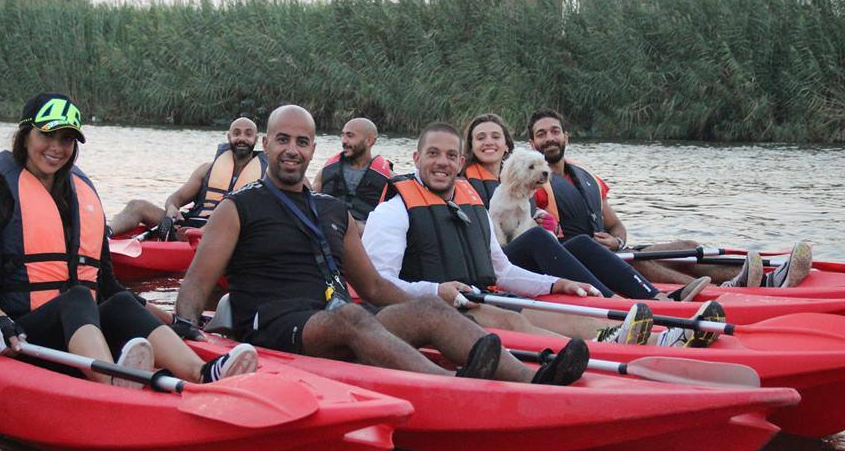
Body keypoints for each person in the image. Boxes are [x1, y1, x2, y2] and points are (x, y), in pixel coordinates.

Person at [174, 104, 591, 386]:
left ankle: (534, 380)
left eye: (302, 142)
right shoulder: (237, 208)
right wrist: (187, 331)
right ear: (266, 144)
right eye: (282, 140)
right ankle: (452, 386)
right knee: (351, 317)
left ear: (314, 149)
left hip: (335, 319)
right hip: (276, 326)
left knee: (427, 309)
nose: (292, 150)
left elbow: (373, 286)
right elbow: (197, 283)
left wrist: (435, 308)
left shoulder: (332, 210)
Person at [0, 93, 257, 387]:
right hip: (20, 335)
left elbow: (108, 286)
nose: (57, 148)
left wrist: (173, 322)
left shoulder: (79, 197)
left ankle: (202, 372)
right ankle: (111, 380)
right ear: (25, 135)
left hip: (75, 333)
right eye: (47, 135)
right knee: (78, 297)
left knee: (120, 302)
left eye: (66, 139)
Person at [362, 121, 710, 347]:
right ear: (416, 157)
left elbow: (502, 270)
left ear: (459, 161)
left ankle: (658, 338)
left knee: (554, 311)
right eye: (433, 154)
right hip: (427, 311)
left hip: (479, 297)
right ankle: (604, 344)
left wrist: (555, 283)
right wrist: (435, 290)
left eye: (451, 155)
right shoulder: (392, 212)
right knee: (507, 317)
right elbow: (377, 285)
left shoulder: (472, 205)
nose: (442, 162)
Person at [526, 108, 813, 289]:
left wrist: (617, 242)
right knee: (638, 263)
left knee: (686, 248)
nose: (549, 138)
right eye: (541, 134)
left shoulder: (585, 176)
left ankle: (764, 278)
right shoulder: (531, 185)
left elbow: (616, 226)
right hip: (580, 263)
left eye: (555, 131)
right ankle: (719, 293)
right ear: (532, 144)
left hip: (613, 252)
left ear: (566, 137)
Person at [460, 114, 709, 304]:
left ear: (506, 144)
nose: (488, 142)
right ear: (471, 146)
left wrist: (546, 224)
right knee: (537, 238)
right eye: (480, 138)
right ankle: (613, 301)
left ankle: (655, 296)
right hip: (495, 263)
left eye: (495, 137)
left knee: (580, 242)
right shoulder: (464, 183)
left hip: (524, 256)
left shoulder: (528, 178)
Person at [107, 117, 267, 240]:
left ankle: (185, 239)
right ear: (229, 137)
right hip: (189, 225)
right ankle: (105, 235)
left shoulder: (265, 177)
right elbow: (176, 198)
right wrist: (171, 209)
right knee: (137, 205)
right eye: (236, 133)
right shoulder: (206, 170)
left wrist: (202, 232)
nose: (242, 138)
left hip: (226, 233)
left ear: (256, 139)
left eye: (248, 134)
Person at [311, 117, 394, 229]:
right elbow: (308, 206)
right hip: (328, 230)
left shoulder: (389, 178)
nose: (344, 141)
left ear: (369, 141)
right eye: (343, 135)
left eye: (350, 136)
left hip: (366, 233)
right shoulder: (325, 171)